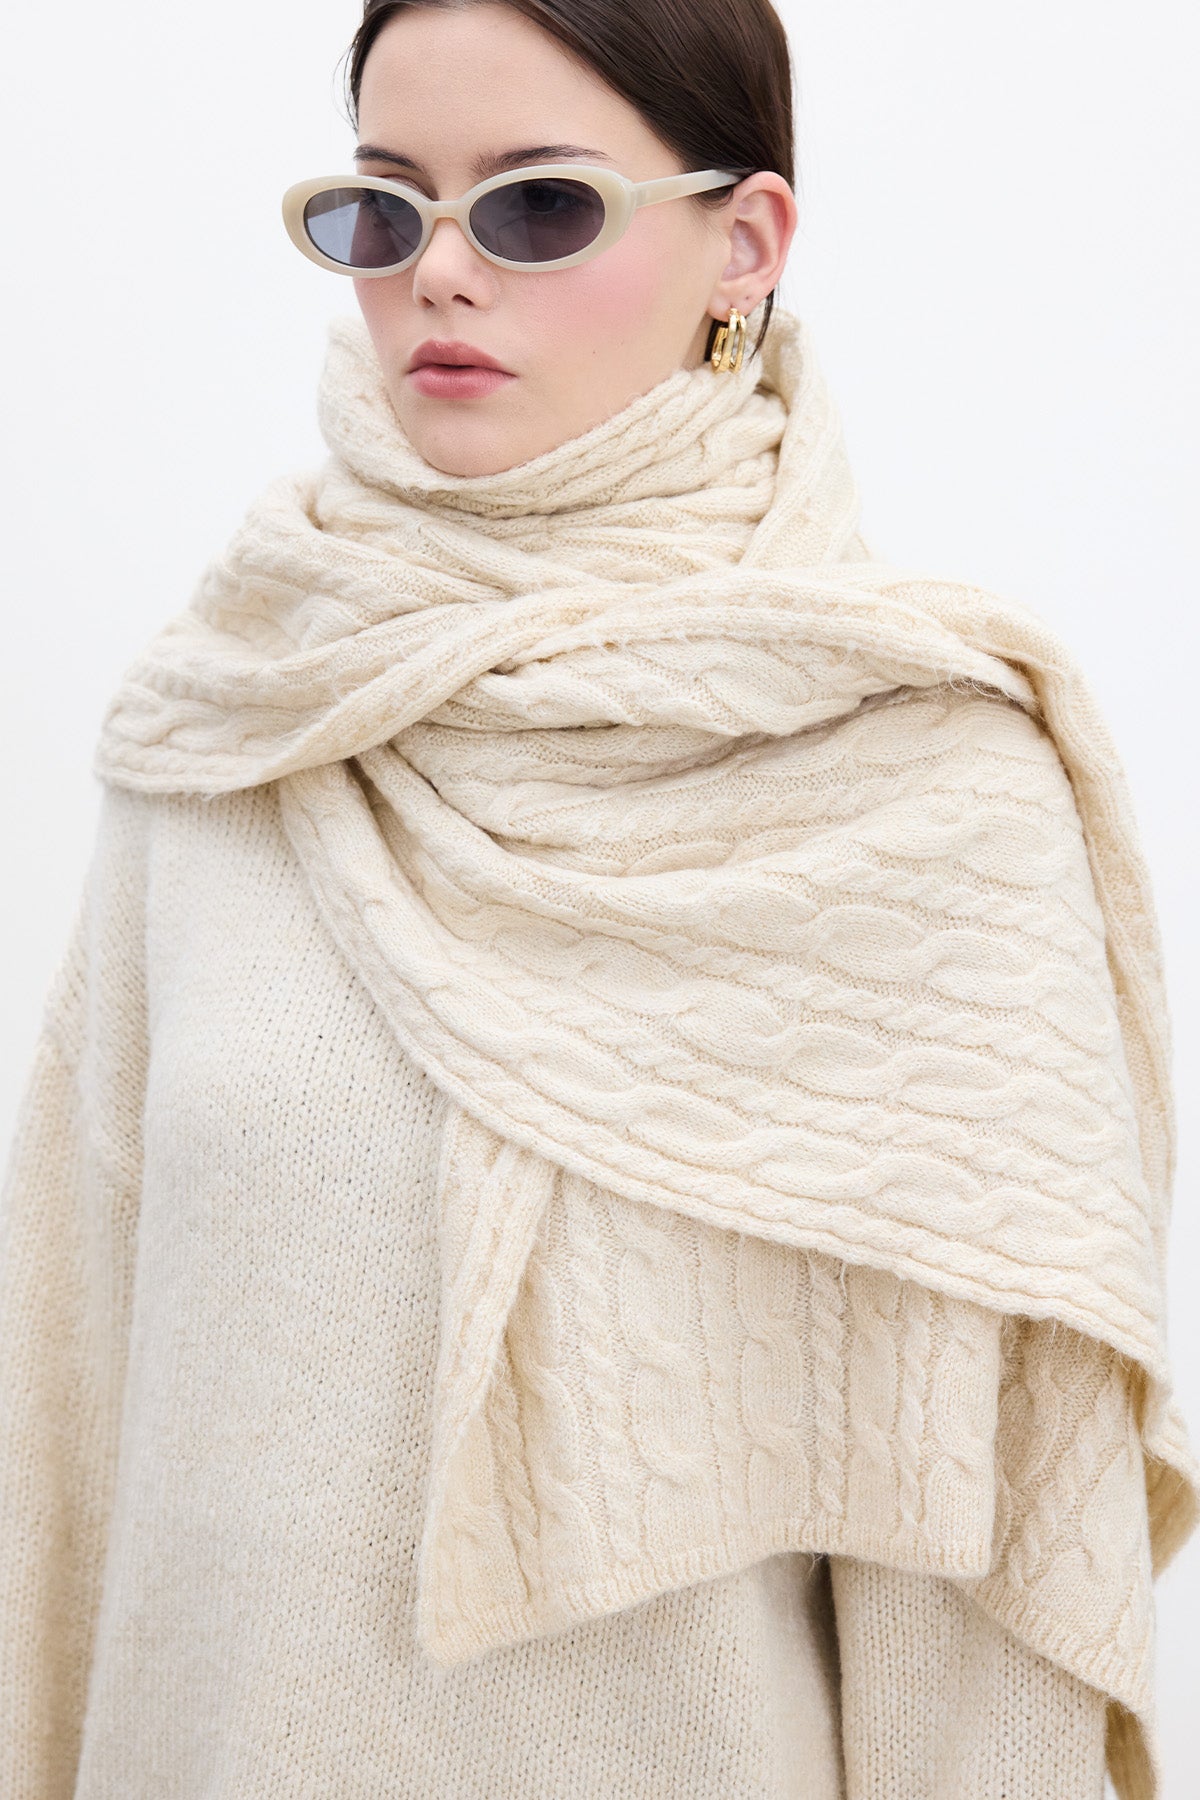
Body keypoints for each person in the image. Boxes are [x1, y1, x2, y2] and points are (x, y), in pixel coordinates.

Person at [2, 3, 1196, 1796]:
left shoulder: (928, 795)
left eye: (538, 207)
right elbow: (59, 1435)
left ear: (746, 242)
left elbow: (984, 1625)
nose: (438, 276)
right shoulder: (231, 723)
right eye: (383, 211)